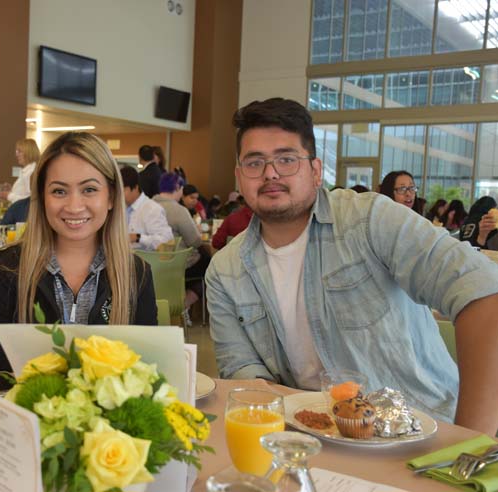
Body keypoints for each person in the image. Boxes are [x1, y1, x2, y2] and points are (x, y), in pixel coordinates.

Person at [206, 97, 498, 434]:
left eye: (286, 159)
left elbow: (483, 292)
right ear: (239, 177)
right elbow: (244, 374)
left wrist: (469, 445)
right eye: (255, 163)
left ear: (315, 171)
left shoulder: (370, 220)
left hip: (422, 433)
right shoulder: (225, 271)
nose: (270, 172)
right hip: (314, 440)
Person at [0, 132, 158, 372]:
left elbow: (144, 372)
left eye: (89, 190)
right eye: (59, 191)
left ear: (111, 197)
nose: (74, 206)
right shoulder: (7, 267)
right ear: (42, 198)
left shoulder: (137, 273)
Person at [154, 172, 211, 323]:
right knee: (212, 270)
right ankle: (182, 304)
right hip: (174, 265)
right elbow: (195, 241)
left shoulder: (145, 206)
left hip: (149, 267)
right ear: (178, 188)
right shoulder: (178, 211)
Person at [120, 166, 173, 250]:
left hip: (144, 260)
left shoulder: (152, 209)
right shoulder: (120, 208)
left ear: (135, 188)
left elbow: (166, 241)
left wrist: (138, 237)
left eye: (122, 190)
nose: (119, 195)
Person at [7, 138, 40, 203]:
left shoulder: (31, 172)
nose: (16, 155)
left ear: (28, 152)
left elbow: (30, 199)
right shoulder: (27, 170)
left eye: (19, 151)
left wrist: (9, 195)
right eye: (16, 151)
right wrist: (12, 190)